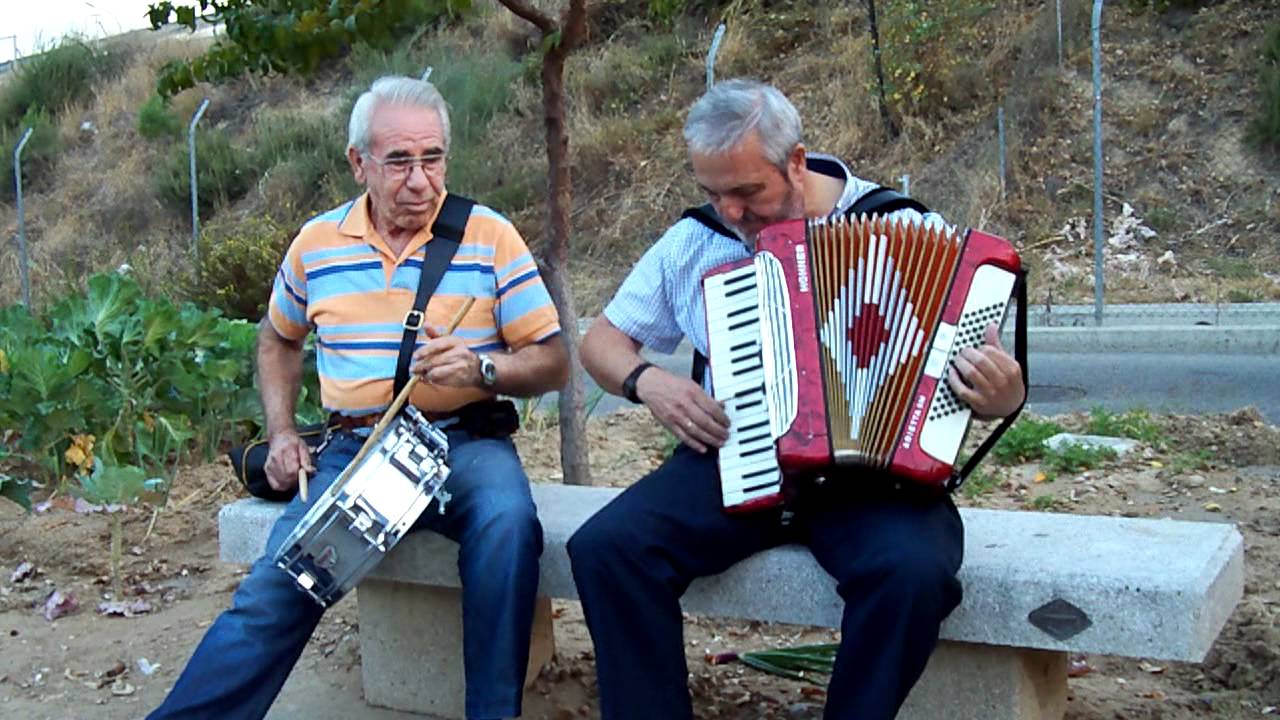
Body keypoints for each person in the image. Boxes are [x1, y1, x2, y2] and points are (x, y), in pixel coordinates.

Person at [569, 78, 1025, 720]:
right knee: (608, 548)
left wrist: (1003, 392)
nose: (728, 210)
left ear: (795, 162)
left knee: (912, 575)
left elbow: (991, 371)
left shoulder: (902, 226)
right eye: (712, 192)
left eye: (746, 191)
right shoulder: (696, 240)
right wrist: (650, 382)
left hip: (876, 481)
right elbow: (603, 341)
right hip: (734, 454)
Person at [148, 75, 569, 720]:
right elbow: (277, 339)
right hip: (358, 449)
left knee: (508, 530)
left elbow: (553, 360)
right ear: (358, 163)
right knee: (281, 588)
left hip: (464, 444)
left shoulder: (490, 235)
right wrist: (283, 432)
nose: (420, 181)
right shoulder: (318, 244)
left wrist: (482, 369)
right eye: (398, 161)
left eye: (432, 159)